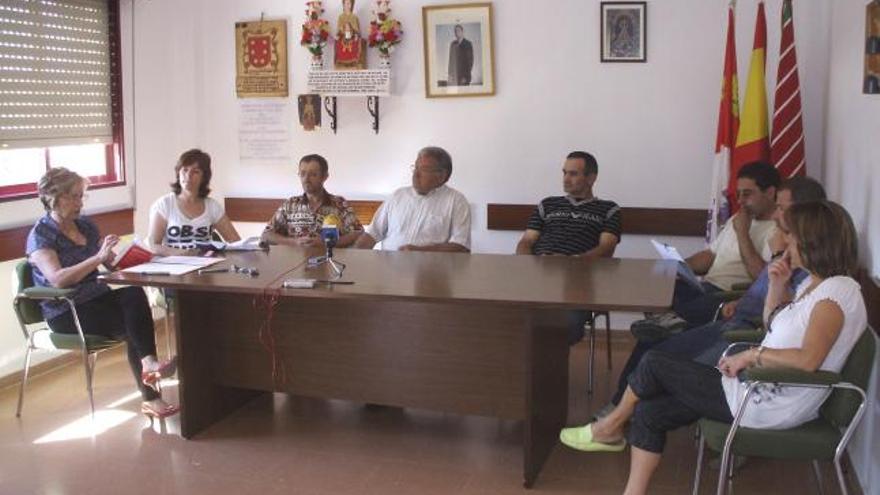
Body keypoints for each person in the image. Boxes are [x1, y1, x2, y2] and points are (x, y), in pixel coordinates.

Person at [560, 200, 866, 495]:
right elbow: (774, 326)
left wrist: (751, 355)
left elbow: (808, 360)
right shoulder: (815, 284)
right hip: (759, 387)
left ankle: (609, 427)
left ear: (813, 241)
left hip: (768, 402)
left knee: (654, 362)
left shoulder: (834, 295)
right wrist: (776, 286)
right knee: (651, 413)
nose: (784, 240)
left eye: (791, 234)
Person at [601, 176, 826, 412]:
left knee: (656, 353)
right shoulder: (749, 227)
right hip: (731, 311)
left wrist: (769, 247)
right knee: (657, 326)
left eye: (782, 207)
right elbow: (757, 283)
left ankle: (624, 409)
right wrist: (679, 267)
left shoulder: (795, 256)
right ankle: (625, 404)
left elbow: (777, 309)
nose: (777, 214)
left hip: (740, 327)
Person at [26, 168, 179, 419]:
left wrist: (120, 258)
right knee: (134, 327)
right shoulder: (41, 235)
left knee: (134, 295)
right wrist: (97, 258)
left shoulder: (84, 225)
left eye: (81, 196)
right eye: (74, 197)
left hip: (97, 299)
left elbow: (107, 265)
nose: (80, 203)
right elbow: (57, 279)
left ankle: (150, 367)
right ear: (56, 198)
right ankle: (151, 388)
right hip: (66, 311)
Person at [633, 161, 780, 339]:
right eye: (739, 194)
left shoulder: (777, 230)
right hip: (704, 287)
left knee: (662, 331)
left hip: (729, 294)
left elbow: (761, 276)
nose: (740, 201)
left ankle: (668, 327)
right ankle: (666, 325)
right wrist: (680, 266)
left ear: (770, 193)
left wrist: (742, 233)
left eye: (747, 194)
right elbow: (710, 255)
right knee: (657, 284)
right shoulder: (738, 218)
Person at [515, 151, 621, 345]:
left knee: (564, 325)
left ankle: (548, 369)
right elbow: (526, 241)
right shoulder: (547, 204)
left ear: (591, 178)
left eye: (573, 174)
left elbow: (606, 248)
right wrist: (527, 263)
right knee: (504, 317)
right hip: (539, 275)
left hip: (577, 282)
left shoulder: (609, 209)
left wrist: (571, 263)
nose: (566, 179)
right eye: (564, 173)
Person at [354, 146, 471, 252]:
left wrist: (421, 252)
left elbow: (460, 245)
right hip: (390, 269)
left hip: (433, 271)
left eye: (423, 169)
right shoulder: (397, 196)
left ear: (441, 176)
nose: (415, 174)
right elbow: (372, 234)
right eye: (415, 167)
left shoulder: (457, 201)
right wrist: (354, 257)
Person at [148, 149, 241, 255]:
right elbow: (153, 246)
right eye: (185, 170)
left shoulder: (212, 206)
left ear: (204, 177)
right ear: (178, 173)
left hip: (205, 266)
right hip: (173, 266)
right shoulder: (165, 204)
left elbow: (236, 242)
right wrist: (182, 253)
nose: (188, 176)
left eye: (195, 171)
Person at [262, 154, 363, 247]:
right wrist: (294, 242)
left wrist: (327, 243)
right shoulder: (290, 205)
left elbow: (358, 233)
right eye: (302, 174)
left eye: (313, 174)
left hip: (329, 262)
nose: (306, 179)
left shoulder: (339, 204)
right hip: (294, 262)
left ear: (324, 177)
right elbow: (267, 234)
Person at [334, 0, 365, 69]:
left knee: (356, 41)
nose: (348, 5)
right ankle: (341, 63)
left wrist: (353, 32)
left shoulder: (354, 17)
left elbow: (357, 29)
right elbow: (339, 29)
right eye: (346, 4)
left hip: (352, 36)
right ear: (343, 5)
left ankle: (354, 62)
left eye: (349, 4)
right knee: (338, 42)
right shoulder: (341, 17)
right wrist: (343, 29)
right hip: (343, 36)